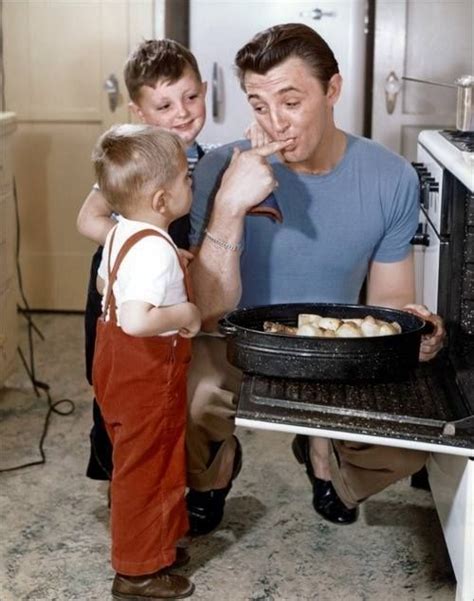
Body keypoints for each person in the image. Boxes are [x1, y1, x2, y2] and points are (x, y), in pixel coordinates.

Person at [184, 23, 446, 535]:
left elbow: (390, 303)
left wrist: (416, 334)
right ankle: (210, 478)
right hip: (235, 339)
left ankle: (325, 457)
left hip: (333, 348)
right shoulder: (219, 168)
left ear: (332, 90)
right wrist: (231, 206)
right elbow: (208, 312)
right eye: (259, 105)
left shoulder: (391, 177)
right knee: (186, 403)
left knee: (408, 442)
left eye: (290, 101)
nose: (275, 122)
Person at [77, 38, 207, 484]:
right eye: (165, 104)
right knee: (116, 388)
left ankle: (164, 480)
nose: (183, 112)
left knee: (166, 395)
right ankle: (122, 479)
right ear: (138, 112)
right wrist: (143, 245)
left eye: (191, 97)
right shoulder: (133, 161)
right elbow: (88, 217)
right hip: (122, 294)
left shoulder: (208, 161)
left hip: (167, 303)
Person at [91, 124, 200, 599]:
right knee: (147, 467)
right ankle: (137, 572)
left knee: (147, 458)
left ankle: (159, 544)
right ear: (161, 200)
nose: (191, 185)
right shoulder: (154, 248)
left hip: (114, 366)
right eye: (186, 179)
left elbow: (104, 288)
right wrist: (186, 312)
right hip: (147, 371)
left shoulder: (121, 234)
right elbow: (137, 320)